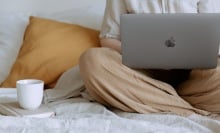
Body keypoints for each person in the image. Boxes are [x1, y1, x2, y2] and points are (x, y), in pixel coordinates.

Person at [79, 0, 219, 117]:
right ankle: (188, 110)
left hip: (195, 77)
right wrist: (145, 53)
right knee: (92, 61)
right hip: (141, 74)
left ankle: (156, 100)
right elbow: (109, 39)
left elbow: (214, 37)